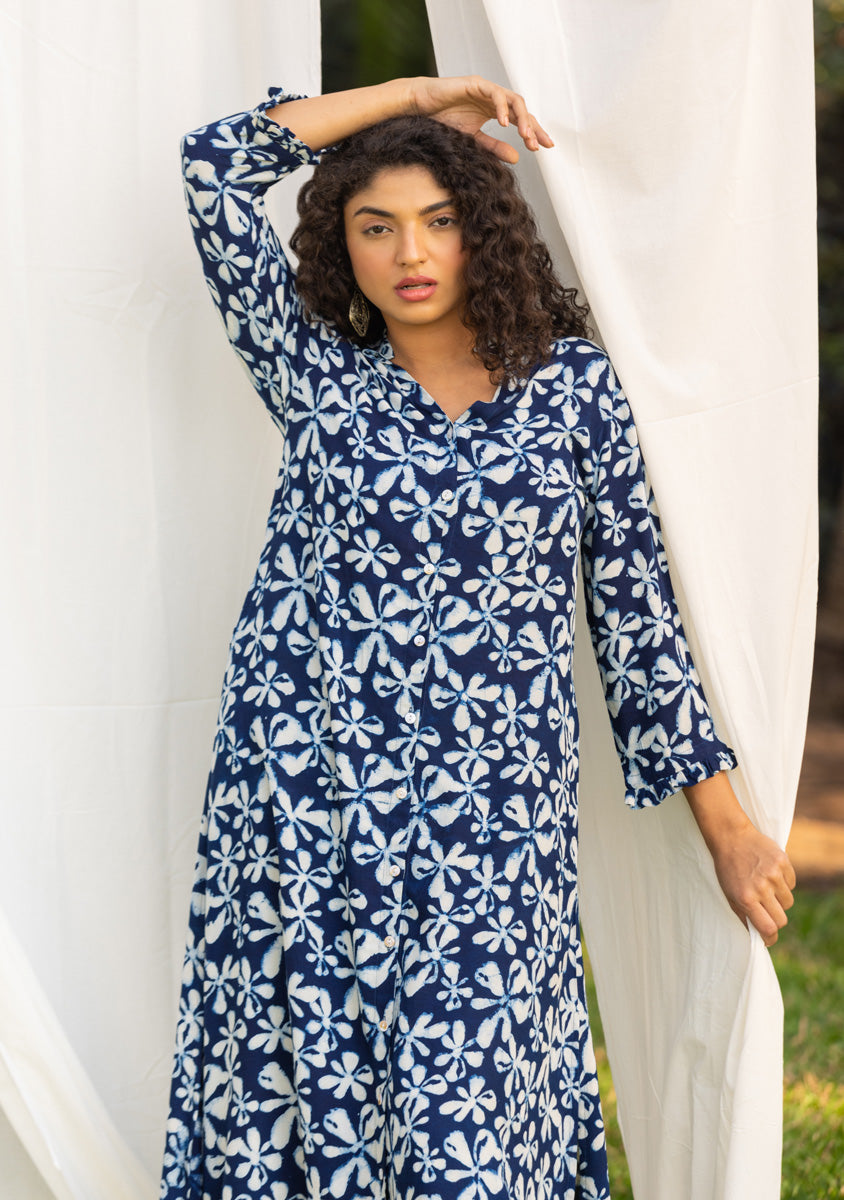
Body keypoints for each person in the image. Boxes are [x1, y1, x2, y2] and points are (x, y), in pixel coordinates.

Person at [161, 75, 796, 1200]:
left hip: (491, 820)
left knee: (470, 1118)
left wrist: (730, 829)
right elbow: (214, 162)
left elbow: (635, 617)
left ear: (484, 231)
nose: (410, 252)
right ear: (341, 245)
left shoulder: (573, 394)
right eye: (376, 226)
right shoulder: (316, 377)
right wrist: (418, 97)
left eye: (439, 219)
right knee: (307, 1100)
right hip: (305, 806)